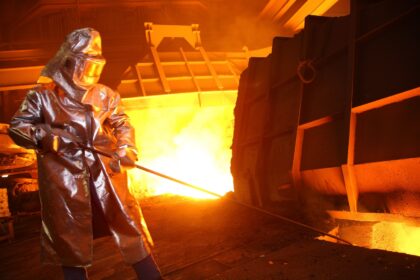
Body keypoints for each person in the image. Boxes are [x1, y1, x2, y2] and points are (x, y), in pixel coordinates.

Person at [8, 28, 162, 280]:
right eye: (85, 64)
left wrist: (126, 149)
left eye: (95, 65)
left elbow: (123, 123)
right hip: (65, 182)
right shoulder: (42, 96)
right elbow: (18, 127)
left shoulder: (104, 94)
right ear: (68, 61)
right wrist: (49, 138)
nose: (89, 72)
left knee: (130, 229)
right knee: (71, 241)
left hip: (106, 176)